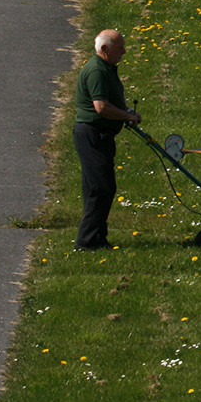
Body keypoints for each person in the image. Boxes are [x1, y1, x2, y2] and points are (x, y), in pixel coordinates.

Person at [73, 30, 140, 250]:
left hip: (101, 135)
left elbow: (112, 101)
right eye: (119, 47)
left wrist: (127, 111)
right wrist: (127, 116)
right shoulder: (96, 70)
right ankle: (87, 241)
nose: (124, 51)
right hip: (92, 134)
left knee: (98, 187)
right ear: (104, 49)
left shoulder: (107, 69)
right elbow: (101, 107)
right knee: (101, 188)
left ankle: (98, 238)